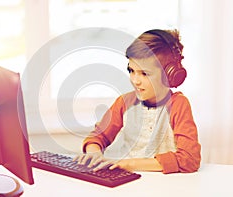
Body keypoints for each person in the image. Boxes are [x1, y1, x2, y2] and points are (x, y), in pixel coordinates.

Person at [74, 29, 201, 174]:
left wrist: (130, 164)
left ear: (169, 75)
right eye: (131, 71)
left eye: (144, 74)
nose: (135, 80)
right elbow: (98, 136)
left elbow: (190, 159)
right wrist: (94, 152)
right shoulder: (124, 102)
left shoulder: (178, 105)